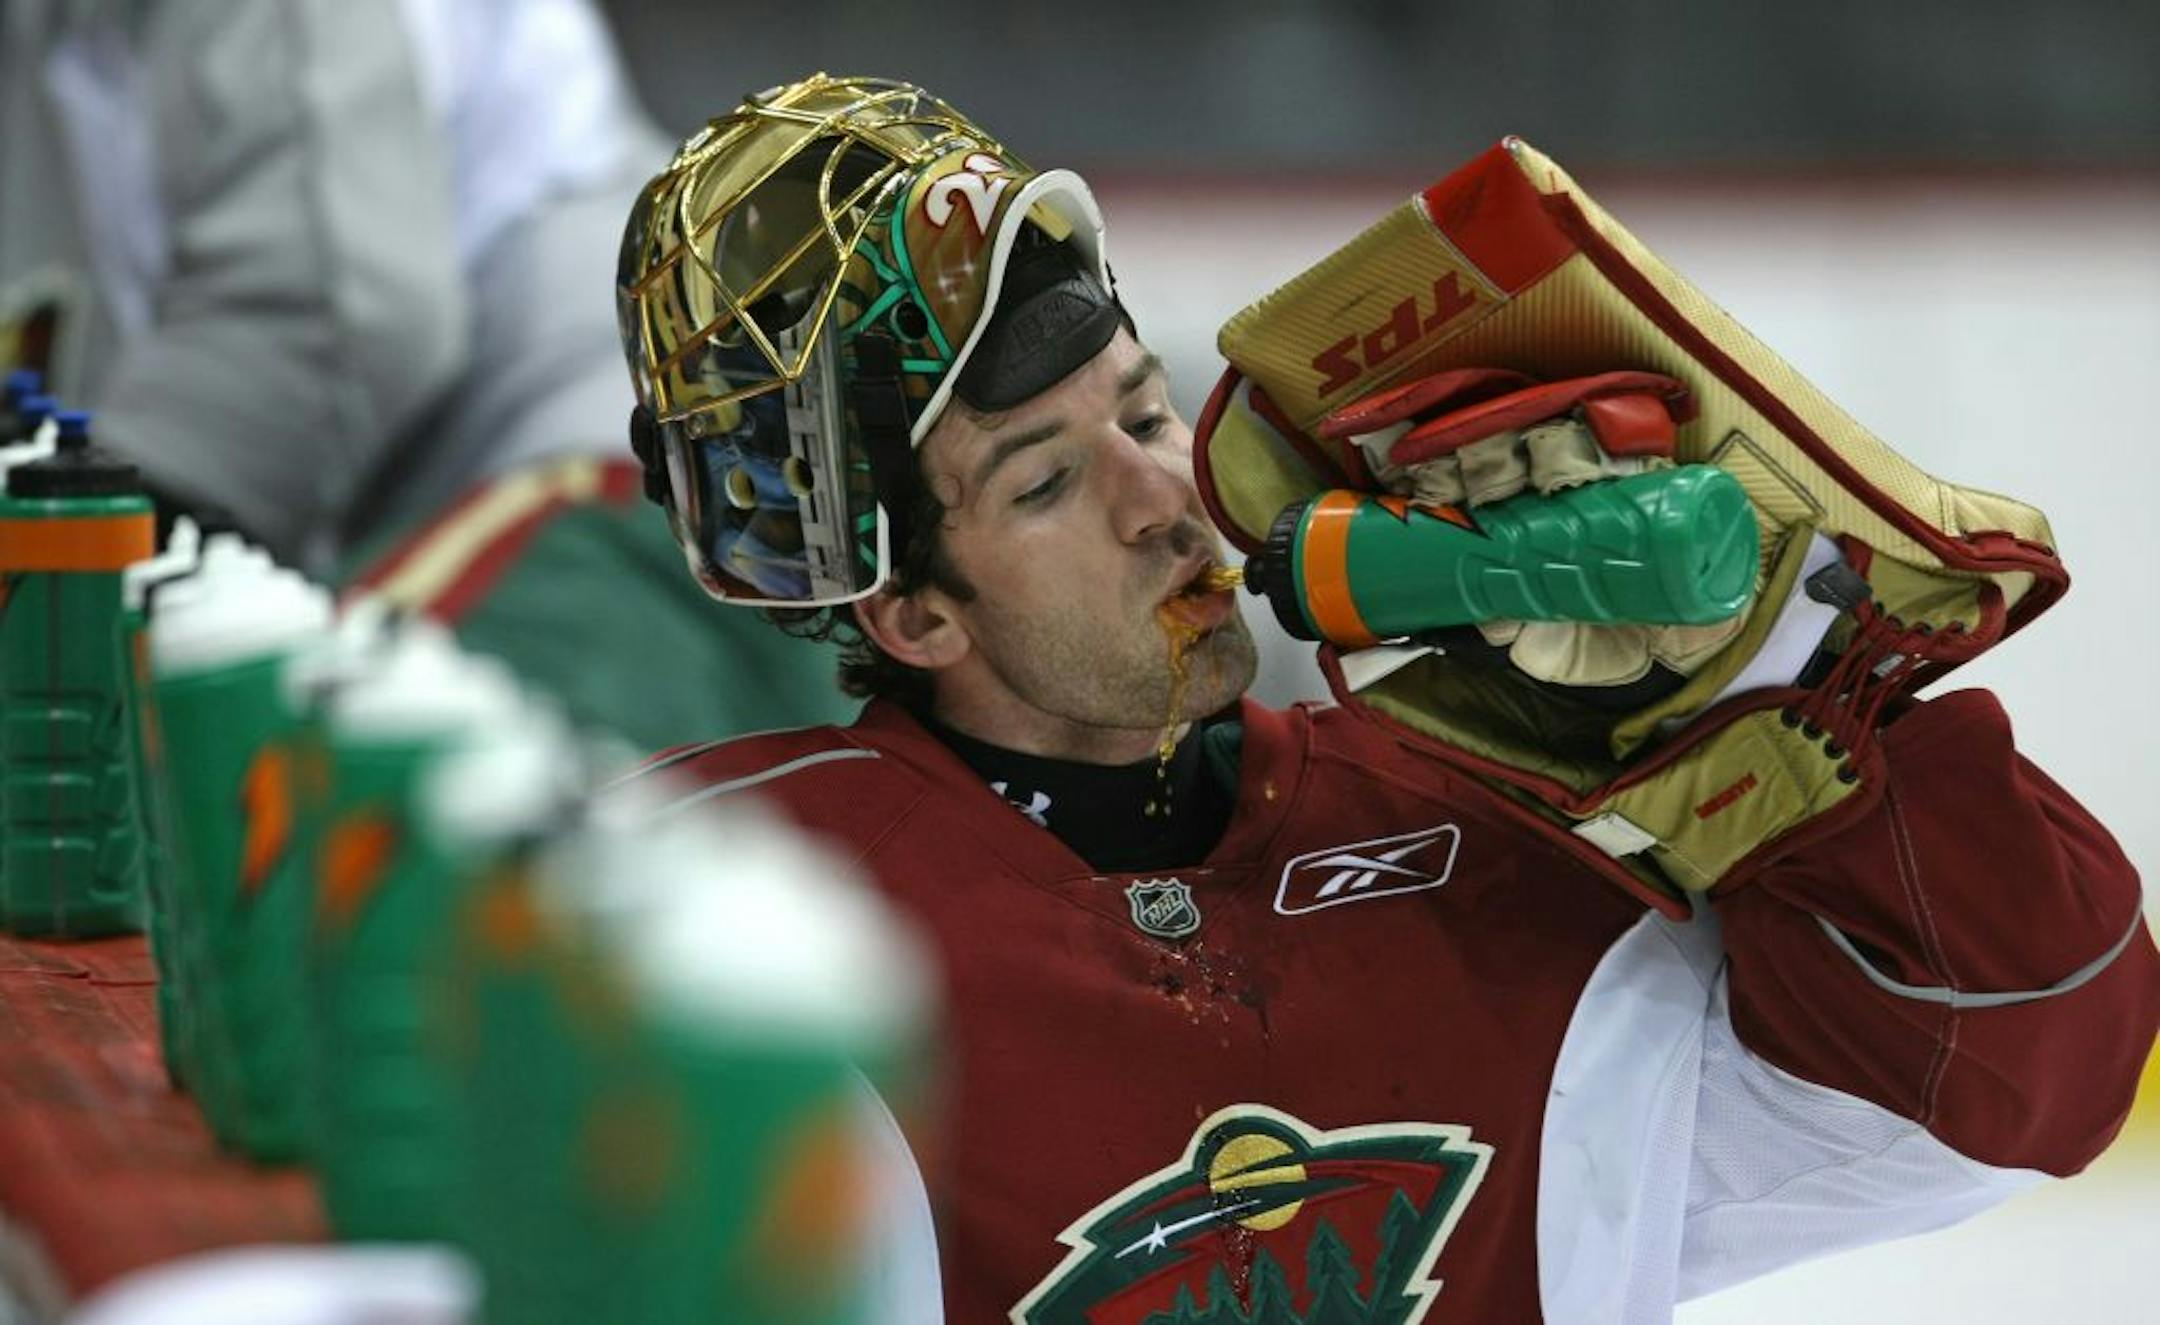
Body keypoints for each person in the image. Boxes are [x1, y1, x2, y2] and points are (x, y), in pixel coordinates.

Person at [613, 75, 2160, 1323]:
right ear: (908, 606)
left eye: (1146, 407)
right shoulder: (711, 921)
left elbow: (2020, 1085)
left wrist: (1764, 680)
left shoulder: (1509, 836)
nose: (1164, 498)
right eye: (1044, 480)